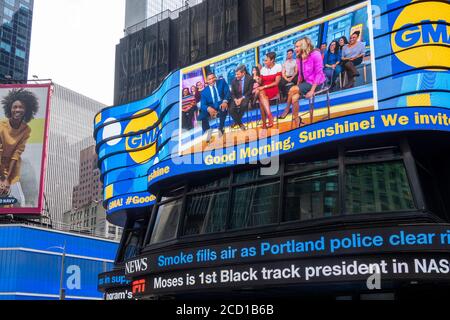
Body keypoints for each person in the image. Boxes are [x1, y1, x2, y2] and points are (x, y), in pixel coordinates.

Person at [0, 88, 39, 207]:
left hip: (12, 166)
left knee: (15, 201)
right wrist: (3, 178)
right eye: (14, 107)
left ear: (26, 110)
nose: (18, 110)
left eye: (21, 107)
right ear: (9, 109)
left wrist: (7, 179)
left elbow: (17, 153)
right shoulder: (1, 126)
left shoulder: (26, 129)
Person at [281, 37, 326, 128]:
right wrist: (297, 87)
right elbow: (301, 76)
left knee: (292, 89)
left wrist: (312, 91)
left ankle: (286, 109)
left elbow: (319, 73)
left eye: (297, 47)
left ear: (304, 46)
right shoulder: (299, 58)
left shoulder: (315, 54)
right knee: (294, 97)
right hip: (306, 83)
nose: (295, 49)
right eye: (295, 47)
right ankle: (297, 122)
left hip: (316, 83)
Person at [198, 72, 231, 141]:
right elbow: (202, 105)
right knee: (200, 117)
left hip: (221, 103)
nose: (212, 80)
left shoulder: (222, 82)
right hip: (211, 106)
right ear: (207, 81)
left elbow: (228, 93)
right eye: (209, 79)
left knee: (223, 108)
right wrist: (208, 108)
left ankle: (221, 128)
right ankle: (208, 131)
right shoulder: (204, 91)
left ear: (215, 77)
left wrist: (225, 101)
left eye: (213, 78)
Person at [255, 52, 282, 129]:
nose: (264, 62)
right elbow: (260, 82)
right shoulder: (263, 69)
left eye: (266, 60)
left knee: (261, 100)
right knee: (261, 96)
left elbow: (276, 82)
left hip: (273, 89)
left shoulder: (278, 67)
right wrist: (258, 79)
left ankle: (264, 124)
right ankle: (270, 116)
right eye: (264, 60)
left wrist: (264, 87)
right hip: (263, 90)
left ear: (272, 60)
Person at [229, 65, 254, 131]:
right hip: (236, 98)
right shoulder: (233, 81)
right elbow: (232, 93)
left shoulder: (250, 78)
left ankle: (236, 121)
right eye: (235, 74)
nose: (236, 76)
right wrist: (235, 100)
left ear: (243, 73)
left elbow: (250, 91)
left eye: (238, 74)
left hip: (245, 96)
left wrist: (241, 98)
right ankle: (240, 123)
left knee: (244, 105)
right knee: (231, 109)